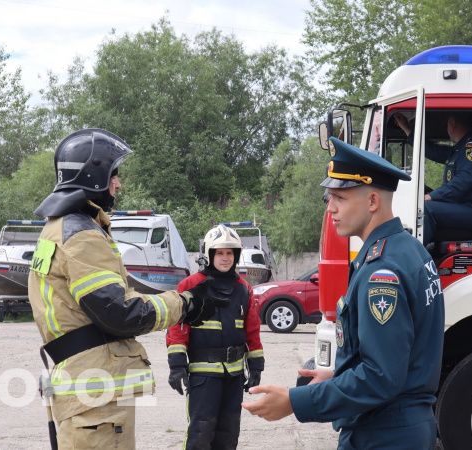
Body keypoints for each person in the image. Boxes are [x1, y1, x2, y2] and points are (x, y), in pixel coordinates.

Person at [242, 137, 445, 450]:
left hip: (384, 433)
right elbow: (398, 359)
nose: (330, 207)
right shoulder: (409, 251)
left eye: (340, 197)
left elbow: (380, 377)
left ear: (373, 202)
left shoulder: (383, 272)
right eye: (329, 197)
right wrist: (337, 375)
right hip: (396, 425)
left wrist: (295, 402)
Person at [27, 128, 225, 450]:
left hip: (82, 389)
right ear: (94, 176)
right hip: (95, 400)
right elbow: (120, 312)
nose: (118, 183)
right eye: (114, 174)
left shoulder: (56, 229)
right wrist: (186, 304)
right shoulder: (82, 235)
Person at [166, 224, 264, 450]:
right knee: (200, 433)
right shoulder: (190, 285)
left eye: (230, 253)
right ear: (209, 254)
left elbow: (252, 330)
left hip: (234, 376)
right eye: (219, 252)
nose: (225, 257)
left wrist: (256, 365)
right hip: (203, 376)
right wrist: (177, 365)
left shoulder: (244, 289)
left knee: (228, 434)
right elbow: (177, 328)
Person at [396, 112, 472, 245]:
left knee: (426, 209)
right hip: (468, 207)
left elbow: (463, 182)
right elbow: (433, 151)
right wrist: (406, 129)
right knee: (425, 205)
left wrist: (430, 197)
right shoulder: (460, 148)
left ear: (452, 124)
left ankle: (412, 258)